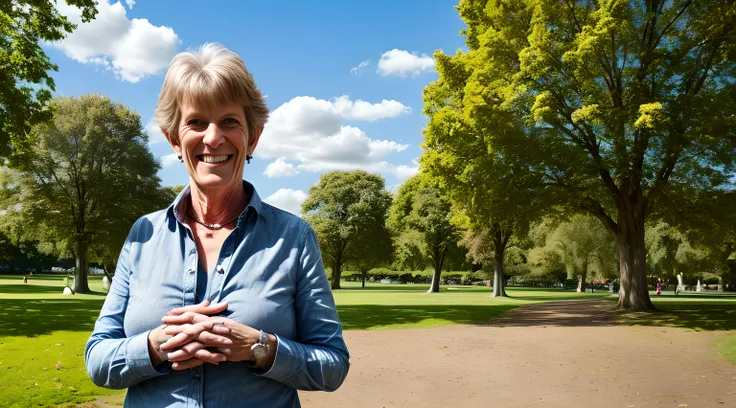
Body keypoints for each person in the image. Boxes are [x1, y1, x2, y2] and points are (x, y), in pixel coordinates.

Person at [85, 43, 350, 407]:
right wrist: (156, 345)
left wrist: (260, 348)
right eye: (196, 122)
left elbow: (333, 366)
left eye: (229, 121)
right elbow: (97, 360)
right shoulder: (142, 237)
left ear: (252, 138)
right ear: (174, 139)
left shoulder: (293, 238)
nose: (213, 138)